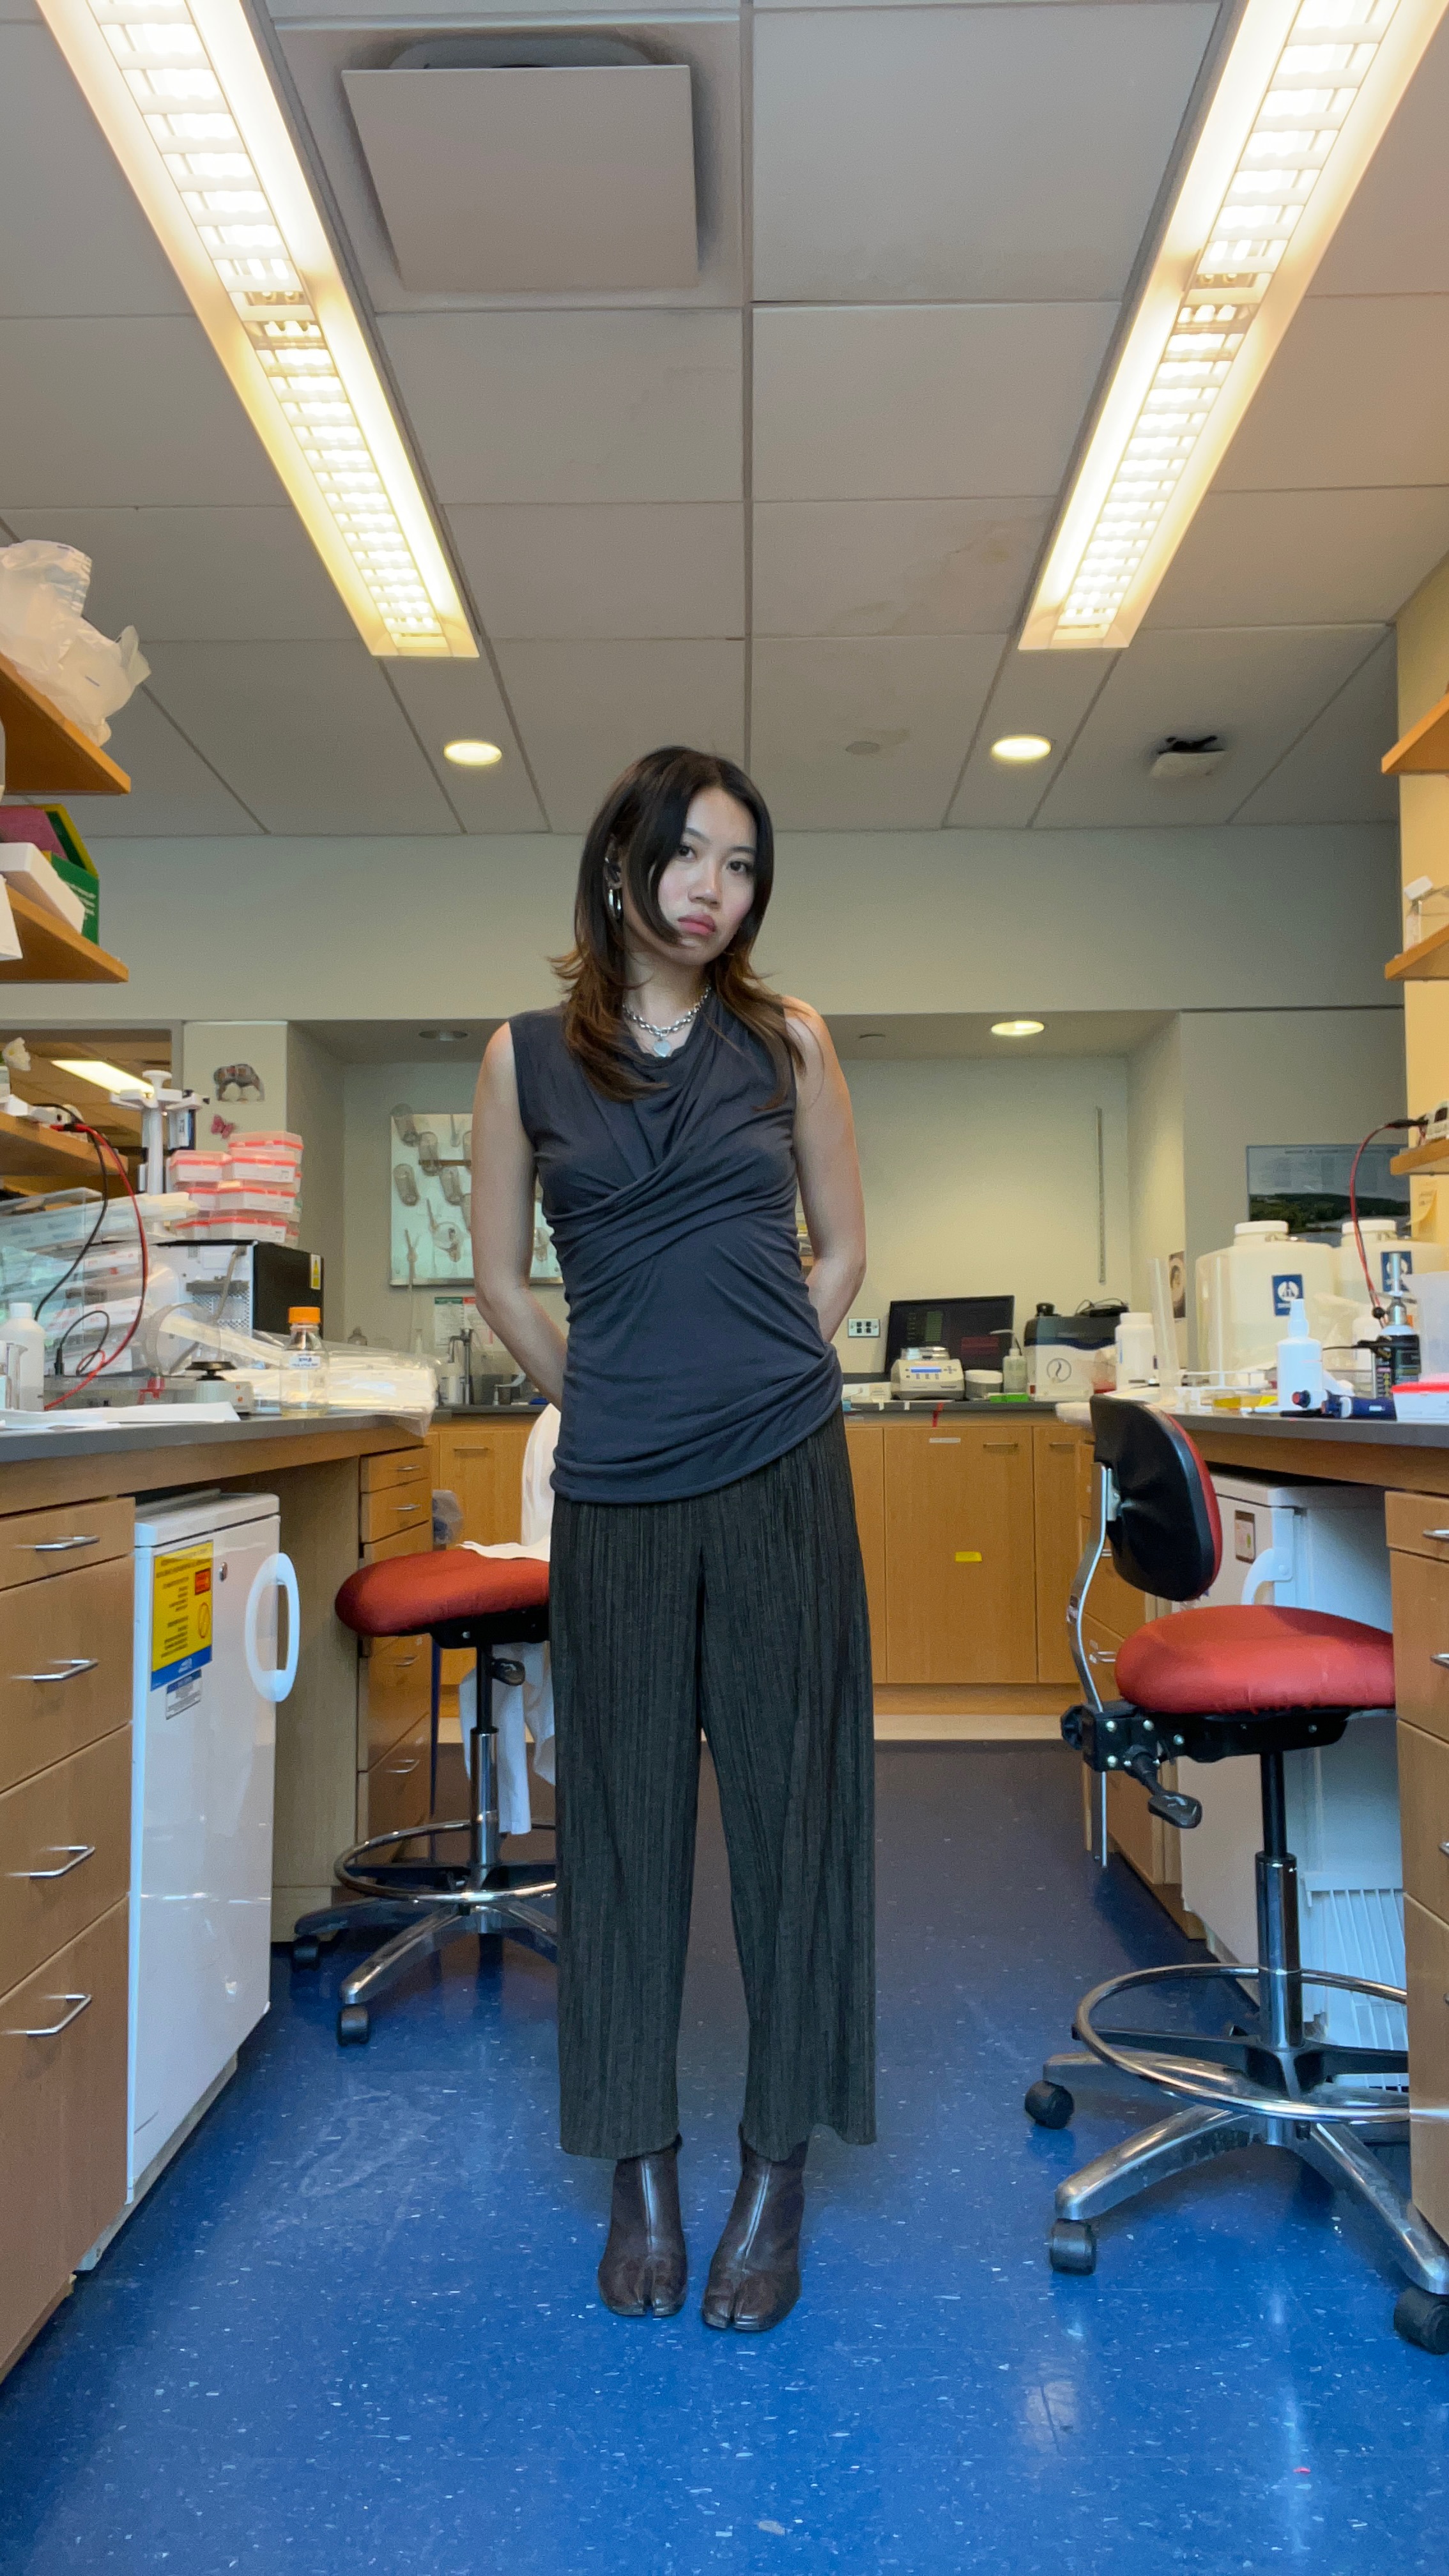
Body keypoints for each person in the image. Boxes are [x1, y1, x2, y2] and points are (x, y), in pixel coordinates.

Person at [471, 744, 875, 2334]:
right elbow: (502, 1280)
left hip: (783, 1470)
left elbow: (841, 1251)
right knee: (625, 1829)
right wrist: (611, 1397)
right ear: (622, 864)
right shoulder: (522, 1059)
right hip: (617, 1488)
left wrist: (765, 1379)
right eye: (691, 854)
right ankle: (640, 2164)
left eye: (744, 865)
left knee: (794, 1817)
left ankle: (778, 2169)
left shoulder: (789, 1039)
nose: (716, 890)